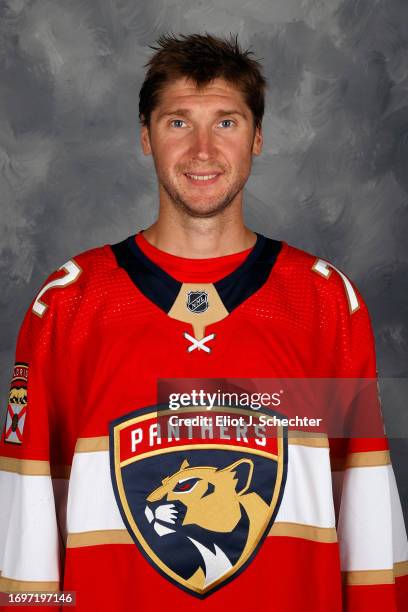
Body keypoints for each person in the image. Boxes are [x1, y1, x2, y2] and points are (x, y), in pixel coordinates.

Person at [0, 33, 407, 612]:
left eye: (226, 123)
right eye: (177, 123)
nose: (202, 150)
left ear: (258, 138)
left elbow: (364, 515)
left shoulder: (322, 302)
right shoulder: (71, 303)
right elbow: (26, 521)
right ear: (145, 137)